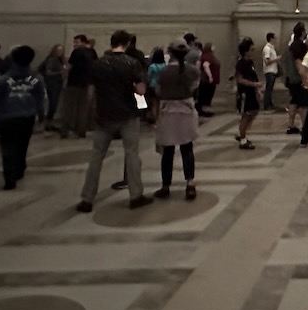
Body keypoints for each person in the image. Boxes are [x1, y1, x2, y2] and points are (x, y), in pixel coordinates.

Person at [77, 30, 152, 212]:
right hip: (127, 114)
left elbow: (90, 92)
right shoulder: (131, 63)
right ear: (126, 44)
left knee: (96, 157)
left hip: (104, 115)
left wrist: (91, 112)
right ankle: (136, 195)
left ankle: (87, 199)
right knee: (132, 154)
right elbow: (141, 90)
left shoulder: (98, 64)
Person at [0, 45, 47, 190]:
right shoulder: (36, 77)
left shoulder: (5, 78)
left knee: (7, 147)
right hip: (27, 116)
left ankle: (9, 176)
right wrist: (42, 115)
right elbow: (41, 98)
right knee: (22, 144)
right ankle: (20, 167)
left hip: (7, 116)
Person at [155, 44, 201, 199]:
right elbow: (194, 87)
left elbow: (158, 91)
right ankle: (190, 183)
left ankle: (165, 185)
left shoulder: (163, 71)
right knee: (187, 149)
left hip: (168, 111)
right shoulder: (193, 70)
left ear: (170, 54)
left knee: (167, 151)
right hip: (186, 110)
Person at [60, 35, 95, 138]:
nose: (75, 44)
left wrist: (64, 73)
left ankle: (65, 131)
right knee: (83, 109)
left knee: (69, 108)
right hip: (86, 84)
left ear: (83, 42)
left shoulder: (76, 52)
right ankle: (81, 130)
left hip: (73, 83)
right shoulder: (92, 52)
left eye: (77, 42)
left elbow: (69, 67)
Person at [232, 38, 260, 150]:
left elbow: (253, 76)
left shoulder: (250, 62)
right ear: (246, 51)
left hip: (252, 92)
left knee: (254, 111)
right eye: (251, 49)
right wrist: (254, 85)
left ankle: (243, 133)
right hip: (244, 93)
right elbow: (239, 79)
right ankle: (242, 139)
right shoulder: (241, 63)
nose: (254, 50)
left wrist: (257, 90)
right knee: (246, 115)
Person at [283, 23, 308, 135]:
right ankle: (305, 126)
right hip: (297, 78)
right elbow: (299, 63)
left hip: (290, 78)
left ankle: (291, 125)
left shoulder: (291, 45)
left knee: (294, 101)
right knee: (303, 103)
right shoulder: (300, 45)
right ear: (302, 32)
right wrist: (305, 78)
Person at [39, 45, 65, 126]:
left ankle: (48, 121)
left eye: (61, 50)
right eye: (58, 50)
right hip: (52, 84)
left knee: (54, 104)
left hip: (56, 83)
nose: (60, 52)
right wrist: (61, 72)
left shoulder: (59, 59)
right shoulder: (52, 59)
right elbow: (48, 72)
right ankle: (47, 121)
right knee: (53, 104)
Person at [197, 42, 219, 117]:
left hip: (209, 80)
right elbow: (206, 65)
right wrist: (210, 76)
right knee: (206, 95)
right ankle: (204, 111)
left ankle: (205, 110)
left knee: (207, 94)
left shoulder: (209, 56)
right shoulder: (207, 56)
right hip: (207, 80)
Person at [262, 32, 280, 112]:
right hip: (270, 71)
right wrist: (277, 59)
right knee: (268, 89)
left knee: (270, 88)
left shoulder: (272, 48)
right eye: (275, 38)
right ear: (271, 39)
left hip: (273, 70)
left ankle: (270, 104)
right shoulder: (268, 48)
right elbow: (267, 61)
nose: (276, 40)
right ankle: (267, 105)